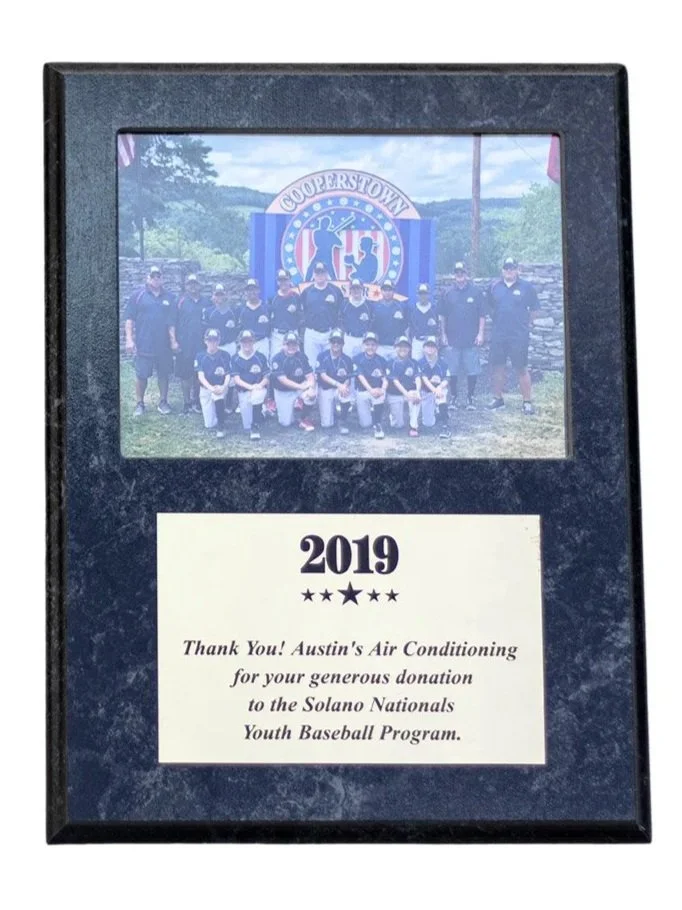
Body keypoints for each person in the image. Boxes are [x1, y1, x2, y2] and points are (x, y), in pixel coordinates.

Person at [486, 257, 541, 414]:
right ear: (502, 270)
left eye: (512, 267)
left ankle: (527, 402)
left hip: (519, 335)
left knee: (521, 368)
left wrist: (526, 323)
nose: (509, 270)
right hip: (499, 334)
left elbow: (535, 309)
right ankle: (498, 399)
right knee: (498, 367)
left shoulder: (526, 287)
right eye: (506, 268)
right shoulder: (493, 286)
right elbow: (488, 307)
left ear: (517, 269)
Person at [124, 265, 175, 417]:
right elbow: (129, 319)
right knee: (142, 375)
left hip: (163, 345)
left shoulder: (170, 297)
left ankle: (163, 402)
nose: (156, 279)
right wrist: (129, 339)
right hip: (144, 343)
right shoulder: (137, 296)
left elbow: (172, 322)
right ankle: (140, 403)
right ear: (148, 278)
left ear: (162, 278)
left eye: (158, 276)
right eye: (153, 276)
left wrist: (173, 341)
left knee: (164, 374)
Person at [439, 261, 485, 410]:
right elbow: (442, 316)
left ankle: (470, 398)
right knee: (452, 370)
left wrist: (481, 333)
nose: (460, 275)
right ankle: (454, 398)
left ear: (467, 275)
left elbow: (482, 315)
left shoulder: (476, 292)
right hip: (452, 339)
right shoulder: (447, 293)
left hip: (471, 338)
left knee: (472, 370)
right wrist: (443, 334)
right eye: (457, 273)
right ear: (454, 275)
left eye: (462, 273)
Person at [172, 273, 211, 415]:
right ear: (185, 286)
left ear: (200, 285)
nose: (193, 286)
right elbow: (172, 323)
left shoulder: (207, 302)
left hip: (202, 345)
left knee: (198, 374)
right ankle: (186, 402)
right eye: (190, 283)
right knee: (185, 375)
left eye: (195, 283)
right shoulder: (179, 301)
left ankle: (197, 401)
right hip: (185, 344)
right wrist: (173, 341)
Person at [299, 262, 344, 367]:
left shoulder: (335, 291)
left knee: (330, 365)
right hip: (312, 333)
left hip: (330, 334)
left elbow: (341, 312)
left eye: (322, 273)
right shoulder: (307, 292)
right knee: (311, 366)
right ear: (313, 274)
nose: (320, 275)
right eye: (317, 273)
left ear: (327, 274)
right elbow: (302, 313)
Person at [269, 332, 316, 431]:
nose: (291, 347)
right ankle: (271, 409)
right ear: (283, 345)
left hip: (299, 386)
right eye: (288, 344)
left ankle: (304, 418)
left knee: (311, 395)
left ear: (297, 345)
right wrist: (301, 387)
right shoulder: (277, 359)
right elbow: (283, 380)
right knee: (285, 423)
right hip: (283, 391)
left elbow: (310, 375)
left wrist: (311, 387)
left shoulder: (301, 356)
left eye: (294, 344)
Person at [231, 329, 269, 440]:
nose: (247, 344)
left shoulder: (260, 356)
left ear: (254, 342)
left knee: (257, 396)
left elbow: (266, 377)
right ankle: (262, 412)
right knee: (246, 425)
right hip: (244, 391)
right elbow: (237, 380)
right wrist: (250, 387)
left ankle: (255, 427)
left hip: (258, 388)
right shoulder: (235, 358)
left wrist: (259, 385)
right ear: (239, 342)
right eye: (244, 341)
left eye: (249, 341)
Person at [195, 328, 231, 439]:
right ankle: (219, 412)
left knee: (218, 394)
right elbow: (200, 376)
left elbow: (228, 375)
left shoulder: (225, 355)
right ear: (205, 341)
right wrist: (211, 388)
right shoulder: (200, 356)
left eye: (215, 340)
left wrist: (223, 387)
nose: (212, 343)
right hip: (206, 388)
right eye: (209, 340)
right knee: (209, 424)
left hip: (220, 387)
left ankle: (221, 425)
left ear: (219, 341)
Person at [316, 328, 353, 434]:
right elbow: (322, 375)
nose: (336, 344)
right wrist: (338, 384)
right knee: (326, 424)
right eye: (333, 341)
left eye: (339, 342)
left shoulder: (347, 359)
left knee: (345, 394)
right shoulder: (322, 356)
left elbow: (348, 378)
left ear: (343, 343)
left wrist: (344, 386)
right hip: (326, 388)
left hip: (339, 389)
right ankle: (334, 413)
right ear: (330, 342)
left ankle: (342, 421)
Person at [352, 331, 389, 439]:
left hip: (376, 391)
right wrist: (370, 390)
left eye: (373, 345)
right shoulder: (357, 358)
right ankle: (372, 414)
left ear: (377, 346)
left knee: (379, 395)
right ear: (363, 345)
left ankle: (377, 423)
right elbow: (360, 376)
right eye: (367, 344)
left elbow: (385, 379)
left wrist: (382, 389)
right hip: (363, 391)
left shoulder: (381, 360)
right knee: (365, 424)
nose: (370, 347)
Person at [386, 336, 422, 437]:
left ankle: (413, 426)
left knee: (415, 396)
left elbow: (418, 378)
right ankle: (393, 416)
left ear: (410, 348)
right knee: (397, 425)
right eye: (400, 346)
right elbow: (395, 381)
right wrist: (406, 394)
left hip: (409, 393)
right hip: (395, 394)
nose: (403, 349)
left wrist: (418, 391)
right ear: (395, 348)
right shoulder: (390, 363)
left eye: (405, 346)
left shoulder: (414, 362)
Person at [419, 336, 451, 438]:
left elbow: (447, 378)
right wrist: (434, 389)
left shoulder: (442, 362)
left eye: (433, 346)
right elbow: (424, 379)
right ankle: (439, 413)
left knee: (441, 396)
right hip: (426, 392)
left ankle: (445, 426)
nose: (430, 349)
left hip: (439, 390)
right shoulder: (420, 363)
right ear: (423, 348)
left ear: (437, 349)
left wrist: (439, 388)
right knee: (428, 423)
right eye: (428, 346)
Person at [370, 279, 407, 359]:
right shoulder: (374, 306)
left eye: (390, 290)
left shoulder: (401, 307)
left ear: (394, 291)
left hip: (396, 347)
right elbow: (371, 326)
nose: (387, 292)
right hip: (379, 346)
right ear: (381, 291)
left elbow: (407, 326)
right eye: (385, 290)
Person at [269, 269, 302, 359]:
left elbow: (301, 316)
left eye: (285, 280)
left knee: (295, 361)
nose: (283, 282)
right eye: (280, 280)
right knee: (275, 360)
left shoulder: (296, 297)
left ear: (290, 280)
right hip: (277, 335)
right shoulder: (272, 298)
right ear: (277, 282)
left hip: (292, 333)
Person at [238, 278, 271, 358]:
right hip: (246, 343)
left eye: (254, 289)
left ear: (259, 290)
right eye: (249, 290)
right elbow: (238, 328)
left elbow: (271, 327)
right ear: (245, 292)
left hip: (262, 342)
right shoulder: (240, 309)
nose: (251, 292)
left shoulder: (267, 308)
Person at [340, 278, 372, 359]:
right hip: (348, 338)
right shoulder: (345, 304)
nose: (356, 291)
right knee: (347, 363)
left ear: (362, 289)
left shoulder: (368, 305)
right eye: (353, 288)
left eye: (358, 288)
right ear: (350, 290)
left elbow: (372, 322)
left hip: (363, 339)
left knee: (362, 363)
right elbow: (340, 320)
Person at [205, 284, 239, 357]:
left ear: (226, 295)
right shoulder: (208, 312)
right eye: (217, 295)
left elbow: (239, 328)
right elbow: (205, 330)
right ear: (213, 296)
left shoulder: (234, 311)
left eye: (222, 295)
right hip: (214, 345)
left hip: (230, 345)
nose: (219, 297)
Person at [409, 282, 440, 362]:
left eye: (425, 293)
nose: (423, 296)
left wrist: (437, 339)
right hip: (417, 341)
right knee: (416, 365)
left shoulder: (434, 309)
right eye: (421, 293)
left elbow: (438, 326)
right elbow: (408, 327)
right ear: (417, 295)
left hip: (431, 341)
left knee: (432, 365)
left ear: (429, 295)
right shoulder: (412, 309)